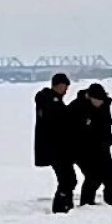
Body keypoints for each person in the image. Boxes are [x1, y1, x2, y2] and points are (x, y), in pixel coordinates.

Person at [69, 83, 112, 206]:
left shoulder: (104, 105)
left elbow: (106, 127)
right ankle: (86, 205)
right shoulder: (76, 107)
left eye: (101, 100)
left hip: (102, 148)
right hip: (81, 150)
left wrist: (108, 141)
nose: (99, 103)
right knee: (93, 177)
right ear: (89, 97)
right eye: (97, 100)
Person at [34, 73, 76, 213]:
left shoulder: (53, 101)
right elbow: (57, 123)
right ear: (58, 86)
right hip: (55, 148)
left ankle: (66, 206)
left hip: (59, 148)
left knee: (69, 179)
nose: (65, 91)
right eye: (64, 87)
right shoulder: (50, 102)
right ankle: (60, 208)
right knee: (67, 180)